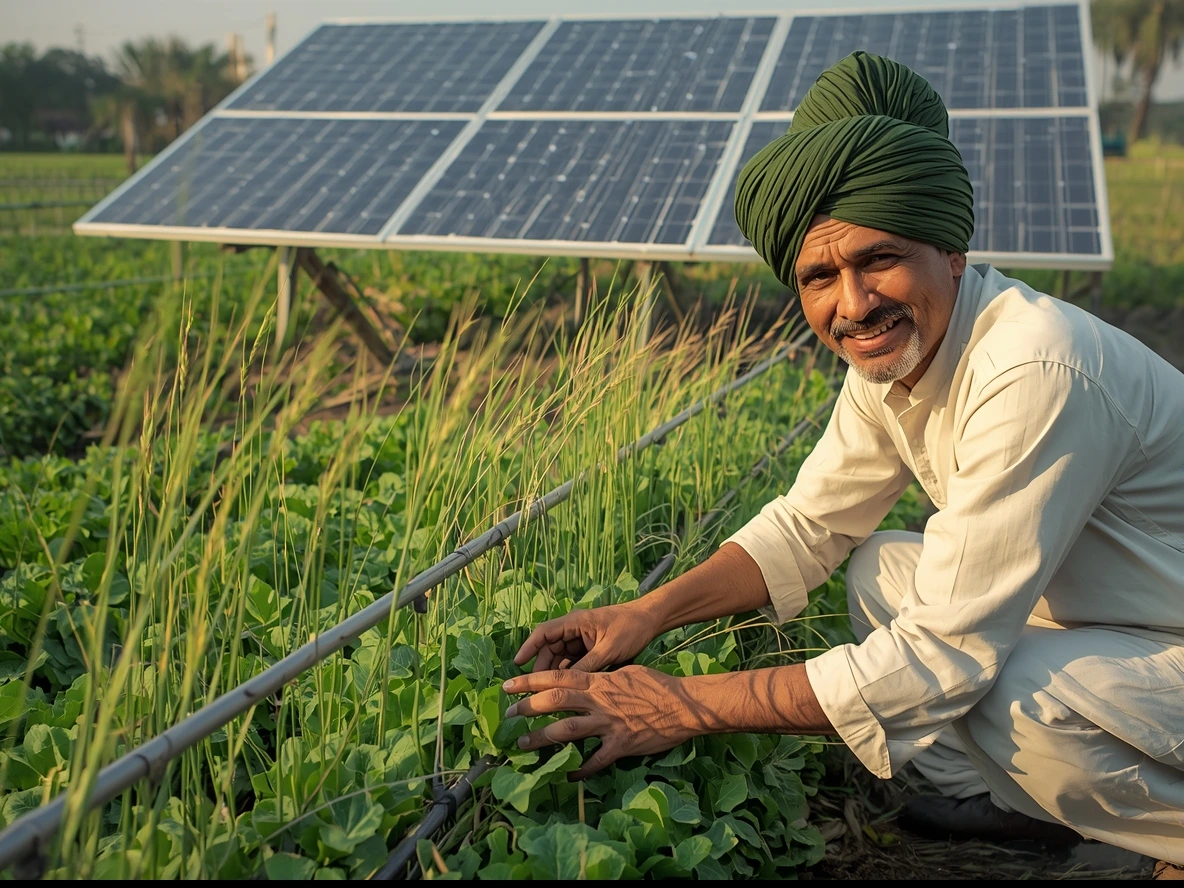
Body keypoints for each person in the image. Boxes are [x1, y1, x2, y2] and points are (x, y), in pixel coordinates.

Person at [500, 52, 1184, 874]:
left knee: (997, 686)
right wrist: (648, 613)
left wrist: (680, 704)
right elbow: (808, 526)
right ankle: (1021, 804)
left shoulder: (1032, 366)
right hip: (1115, 620)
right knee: (882, 569)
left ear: (953, 252)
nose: (853, 305)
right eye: (821, 276)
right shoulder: (900, 353)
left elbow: (943, 659)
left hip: (1163, 636)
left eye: (879, 260)